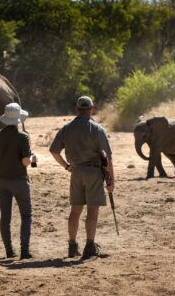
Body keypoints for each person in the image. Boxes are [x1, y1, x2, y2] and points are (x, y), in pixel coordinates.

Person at [49, 96, 114, 259]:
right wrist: (111, 180)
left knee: (75, 210)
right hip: (93, 172)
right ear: (93, 108)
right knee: (92, 211)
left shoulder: (67, 128)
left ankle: (72, 246)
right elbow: (107, 157)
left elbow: (54, 151)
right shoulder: (97, 129)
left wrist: (66, 166)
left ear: (77, 109)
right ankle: (89, 246)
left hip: (76, 172)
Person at [0, 103, 37, 260]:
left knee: (5, 217)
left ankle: (9, 251)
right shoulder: (23, 137)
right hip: (19, 181)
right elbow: (25, 162)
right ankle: (24, 251)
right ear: (18, 119)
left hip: (1, 181)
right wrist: (32, 158)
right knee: (26, 215)